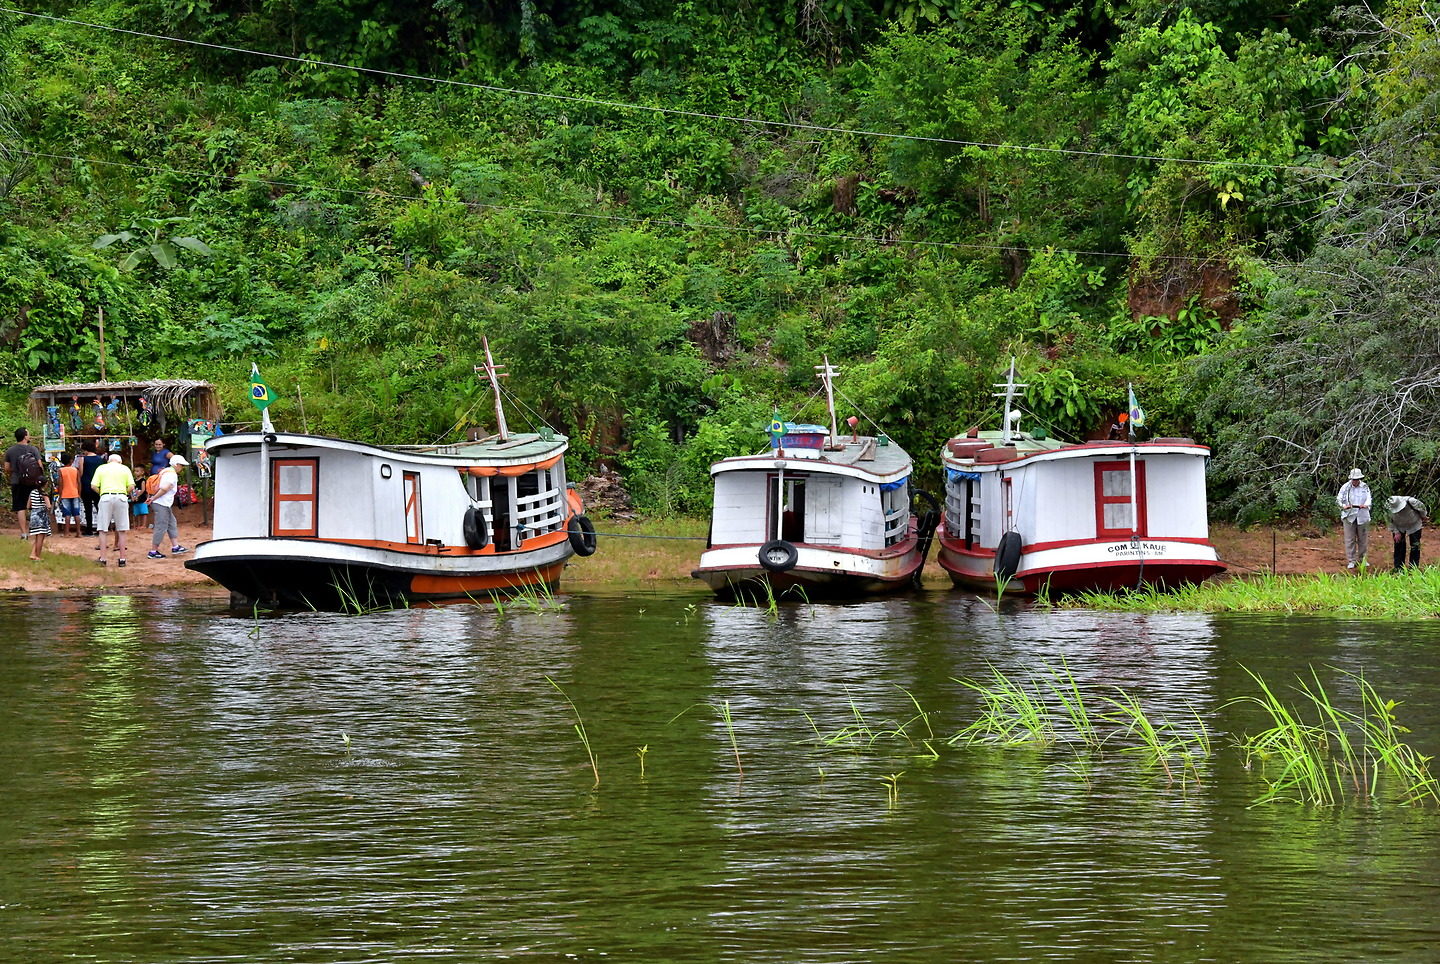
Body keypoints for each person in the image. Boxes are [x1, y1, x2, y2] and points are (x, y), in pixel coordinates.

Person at [92, 453, 133, 567]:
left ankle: (103, 558)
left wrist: (102, 493)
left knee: (103, 529)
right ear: (119, 461)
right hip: (121, 497)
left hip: (106, 496)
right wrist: (124, 493)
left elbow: (93, 486)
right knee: (122, 529)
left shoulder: (101, 468)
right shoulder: (125, 469)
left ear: (109, 461)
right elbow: (131, 486)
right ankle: (122, 559)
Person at [147, 454, 190, 559]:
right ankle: (153, 551)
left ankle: (175, 546)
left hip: (163, 503)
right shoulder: (171, 474)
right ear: (176, 464)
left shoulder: (165, 471)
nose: (182, 468)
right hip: (162, 503)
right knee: (161, 527)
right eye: (181, 465)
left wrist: (153, 498)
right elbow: (165, 488)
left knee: (171, 523)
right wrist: (153, 498)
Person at [5, 427, 43, 539]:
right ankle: (36, 531)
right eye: (28, 434)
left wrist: (16, 471)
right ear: (25, 436)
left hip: (17, 481)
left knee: (20, 507)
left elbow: (7, 468)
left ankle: (24, 533)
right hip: (32, 482)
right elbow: (40, 466)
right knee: (35, 505)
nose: (29, 436)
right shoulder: (33, 449)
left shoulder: (10, 451)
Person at [1336, 467, 1372, 570]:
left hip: (1362, 515)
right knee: (1350, 539)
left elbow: (1369, 498)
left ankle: (1363, 559)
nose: (1355, 481)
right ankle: (1351, 560)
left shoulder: (1365, 487)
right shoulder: (1345, 487)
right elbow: (1339, 499)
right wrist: (1343, 506)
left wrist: (1365, 505)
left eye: (1357, 479)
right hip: (1349, 515)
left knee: (1363, 539)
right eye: (1354, 479)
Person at [1386, 494, 1429, 571]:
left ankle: (1413, 568)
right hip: (1398, 527)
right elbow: (1388, 520)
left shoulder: (1411, 501)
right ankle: (1398, 568)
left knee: (1415, 546)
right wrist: (1396, 532)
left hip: (1414, 525)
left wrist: (1423, 516)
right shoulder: (1387, 507)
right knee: (1399, 546)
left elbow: (1422, 508)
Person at [78, 440, 105, 538]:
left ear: (85, 449)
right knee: (100, 508)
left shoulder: (83, 459)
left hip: (86, 485)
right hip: (97, 485)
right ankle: (101, 528)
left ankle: (89, 529)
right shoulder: (100, 459)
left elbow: (80, 472)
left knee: (88, 508)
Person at [26, 480, 52, 561]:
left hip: (34, 515)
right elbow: (49, 506)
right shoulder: (44, 494)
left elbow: (28, 505)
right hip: (41, 517)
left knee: (37, 537)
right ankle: (37, 556)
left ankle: (33, 554)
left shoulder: (32, 492)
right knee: (41, 537)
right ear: (45, 484)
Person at [57, 453, 81, 538]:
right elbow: (78, 483)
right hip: (75, 493)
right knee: (76, 513)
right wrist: (79, 493)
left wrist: (60, 495)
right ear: (71, 461)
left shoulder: (61, 470)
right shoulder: (75, 470)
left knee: (67, 514)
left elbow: (60, 483)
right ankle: (78, 532)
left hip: (65, 494)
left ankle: (66, 533)